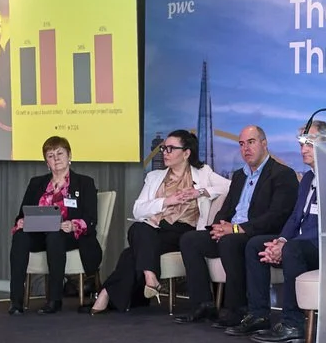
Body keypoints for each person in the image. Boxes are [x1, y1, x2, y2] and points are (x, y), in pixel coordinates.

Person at [90, 129, 230, 314]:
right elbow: (138, 209)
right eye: (164, 148)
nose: (165, 152)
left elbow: (229, 185)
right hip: (157, 229)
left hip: (184, 232)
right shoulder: (154, 177)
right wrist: (167, 201)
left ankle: (107, 293)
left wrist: (200, 191)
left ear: (186, 153)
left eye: (171, 148)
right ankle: (150, 278)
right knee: (138, 228)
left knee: (130, 253)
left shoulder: (203, 173)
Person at [173, 125, 297, 326]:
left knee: (230, 242)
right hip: (232, 231)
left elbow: (276, 216)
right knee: (190, 240)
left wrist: (236, 229)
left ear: (264, 144)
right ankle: (203, 305)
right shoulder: (239, 176)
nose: (245, 148)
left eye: (251, 142)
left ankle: (237, 309)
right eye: (241, 144)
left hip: (257, 233)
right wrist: (218, 226)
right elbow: (227, 207)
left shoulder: (282, 174)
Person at [229, 121, 326, 343]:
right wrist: (281, 240)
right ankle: (258, 315)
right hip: (299, 243)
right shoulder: (307, 178)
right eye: (301, 144)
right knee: (257, 244)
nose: (303, 149)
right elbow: (295, 217)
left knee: (293, 249)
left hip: (323, 247)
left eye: (309, 144)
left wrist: (286, 246)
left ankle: (292, 324)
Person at [7, 135, 102, 314]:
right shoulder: (36, 183)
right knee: (20, 236)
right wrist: (20, 222)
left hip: (70, 236)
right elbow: (22, 214)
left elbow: (91, 219)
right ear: (46, 162)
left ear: (69, 156)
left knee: (55, 235)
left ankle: (54, 300)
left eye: (60, 153)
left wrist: (73, 225)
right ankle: (16, 301)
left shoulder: (84, 183)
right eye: (51, 155)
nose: (56, 158)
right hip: (38, 234)